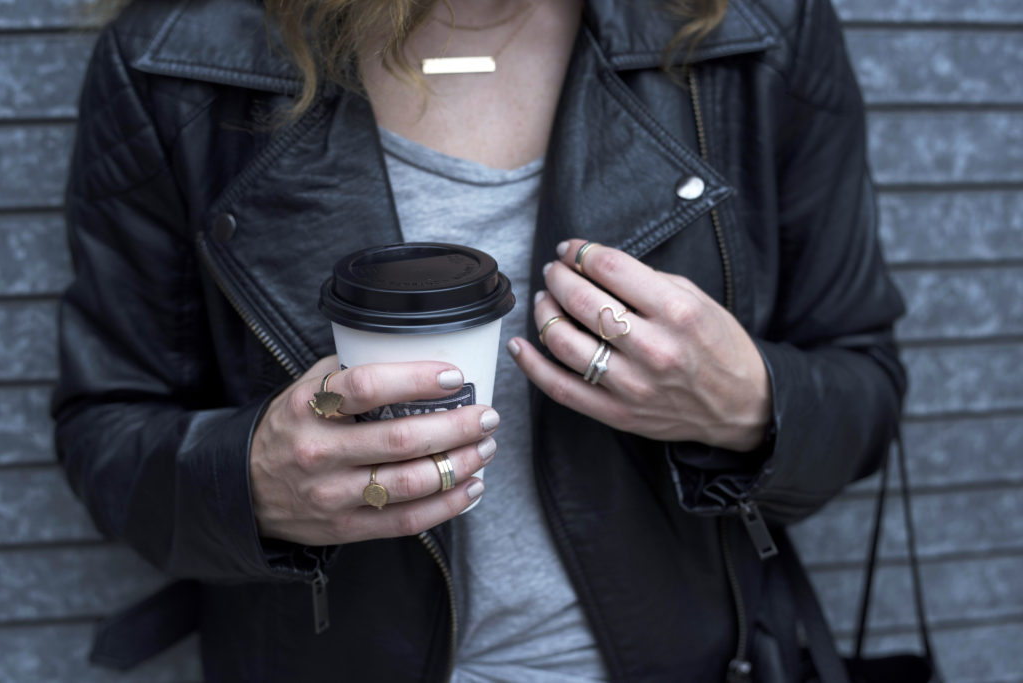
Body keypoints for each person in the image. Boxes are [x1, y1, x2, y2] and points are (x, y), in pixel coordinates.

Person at [52, 0, 906, 680]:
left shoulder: (753, 31)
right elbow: (108, 430)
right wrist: (250, 480)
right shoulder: (175, 58)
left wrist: (752, 402)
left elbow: (864, 383)